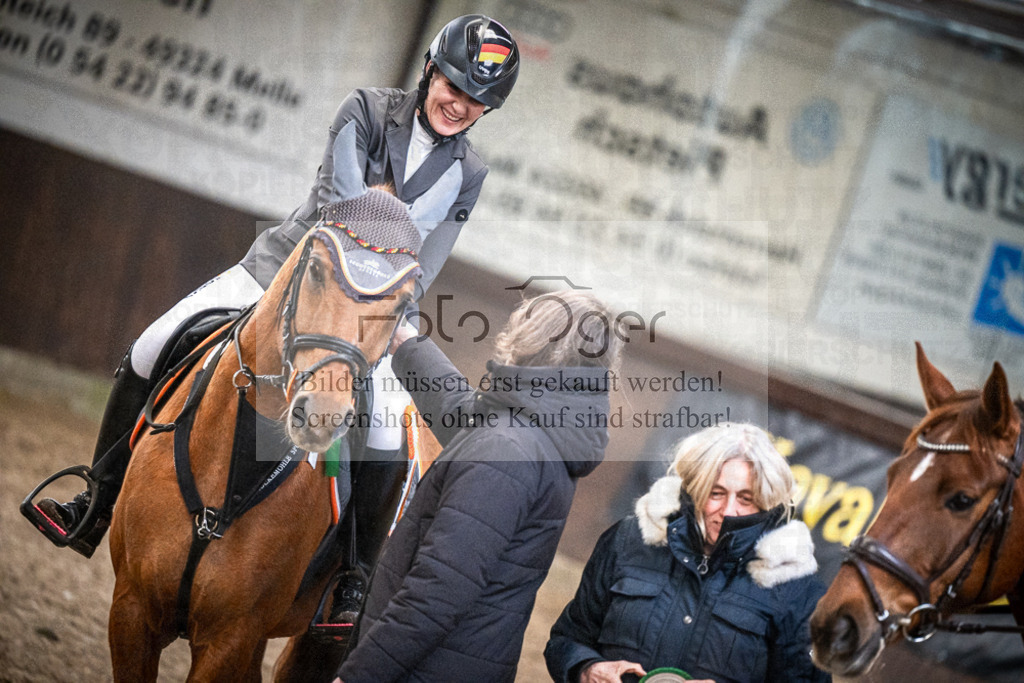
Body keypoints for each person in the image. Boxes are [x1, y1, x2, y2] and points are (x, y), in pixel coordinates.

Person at [26, 10, 520, 593]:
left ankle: (352, 580)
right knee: (151, 345)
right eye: (454, 85)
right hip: (284, 272)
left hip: (371, 313)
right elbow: (340, 209)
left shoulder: (469, 172)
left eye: (477, 100)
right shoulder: (365, 109)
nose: (460, 104)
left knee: (388, 431)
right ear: (431, 71)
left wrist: (397, 317)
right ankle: (97, 498)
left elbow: (432, 256)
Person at [333, 290, 624, 683]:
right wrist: (407, 345)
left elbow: (435, 595)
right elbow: (464, 415)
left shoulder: (506, 449)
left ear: (535, 336)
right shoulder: (539, 423)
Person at [544, 423, 830, 683]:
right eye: (715, 493)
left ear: (768, 501)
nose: (728, 511)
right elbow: (567, 639)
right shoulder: (627, 541)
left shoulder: (795, 588)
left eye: (745, 498)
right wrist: (587, 669)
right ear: (693, 490)